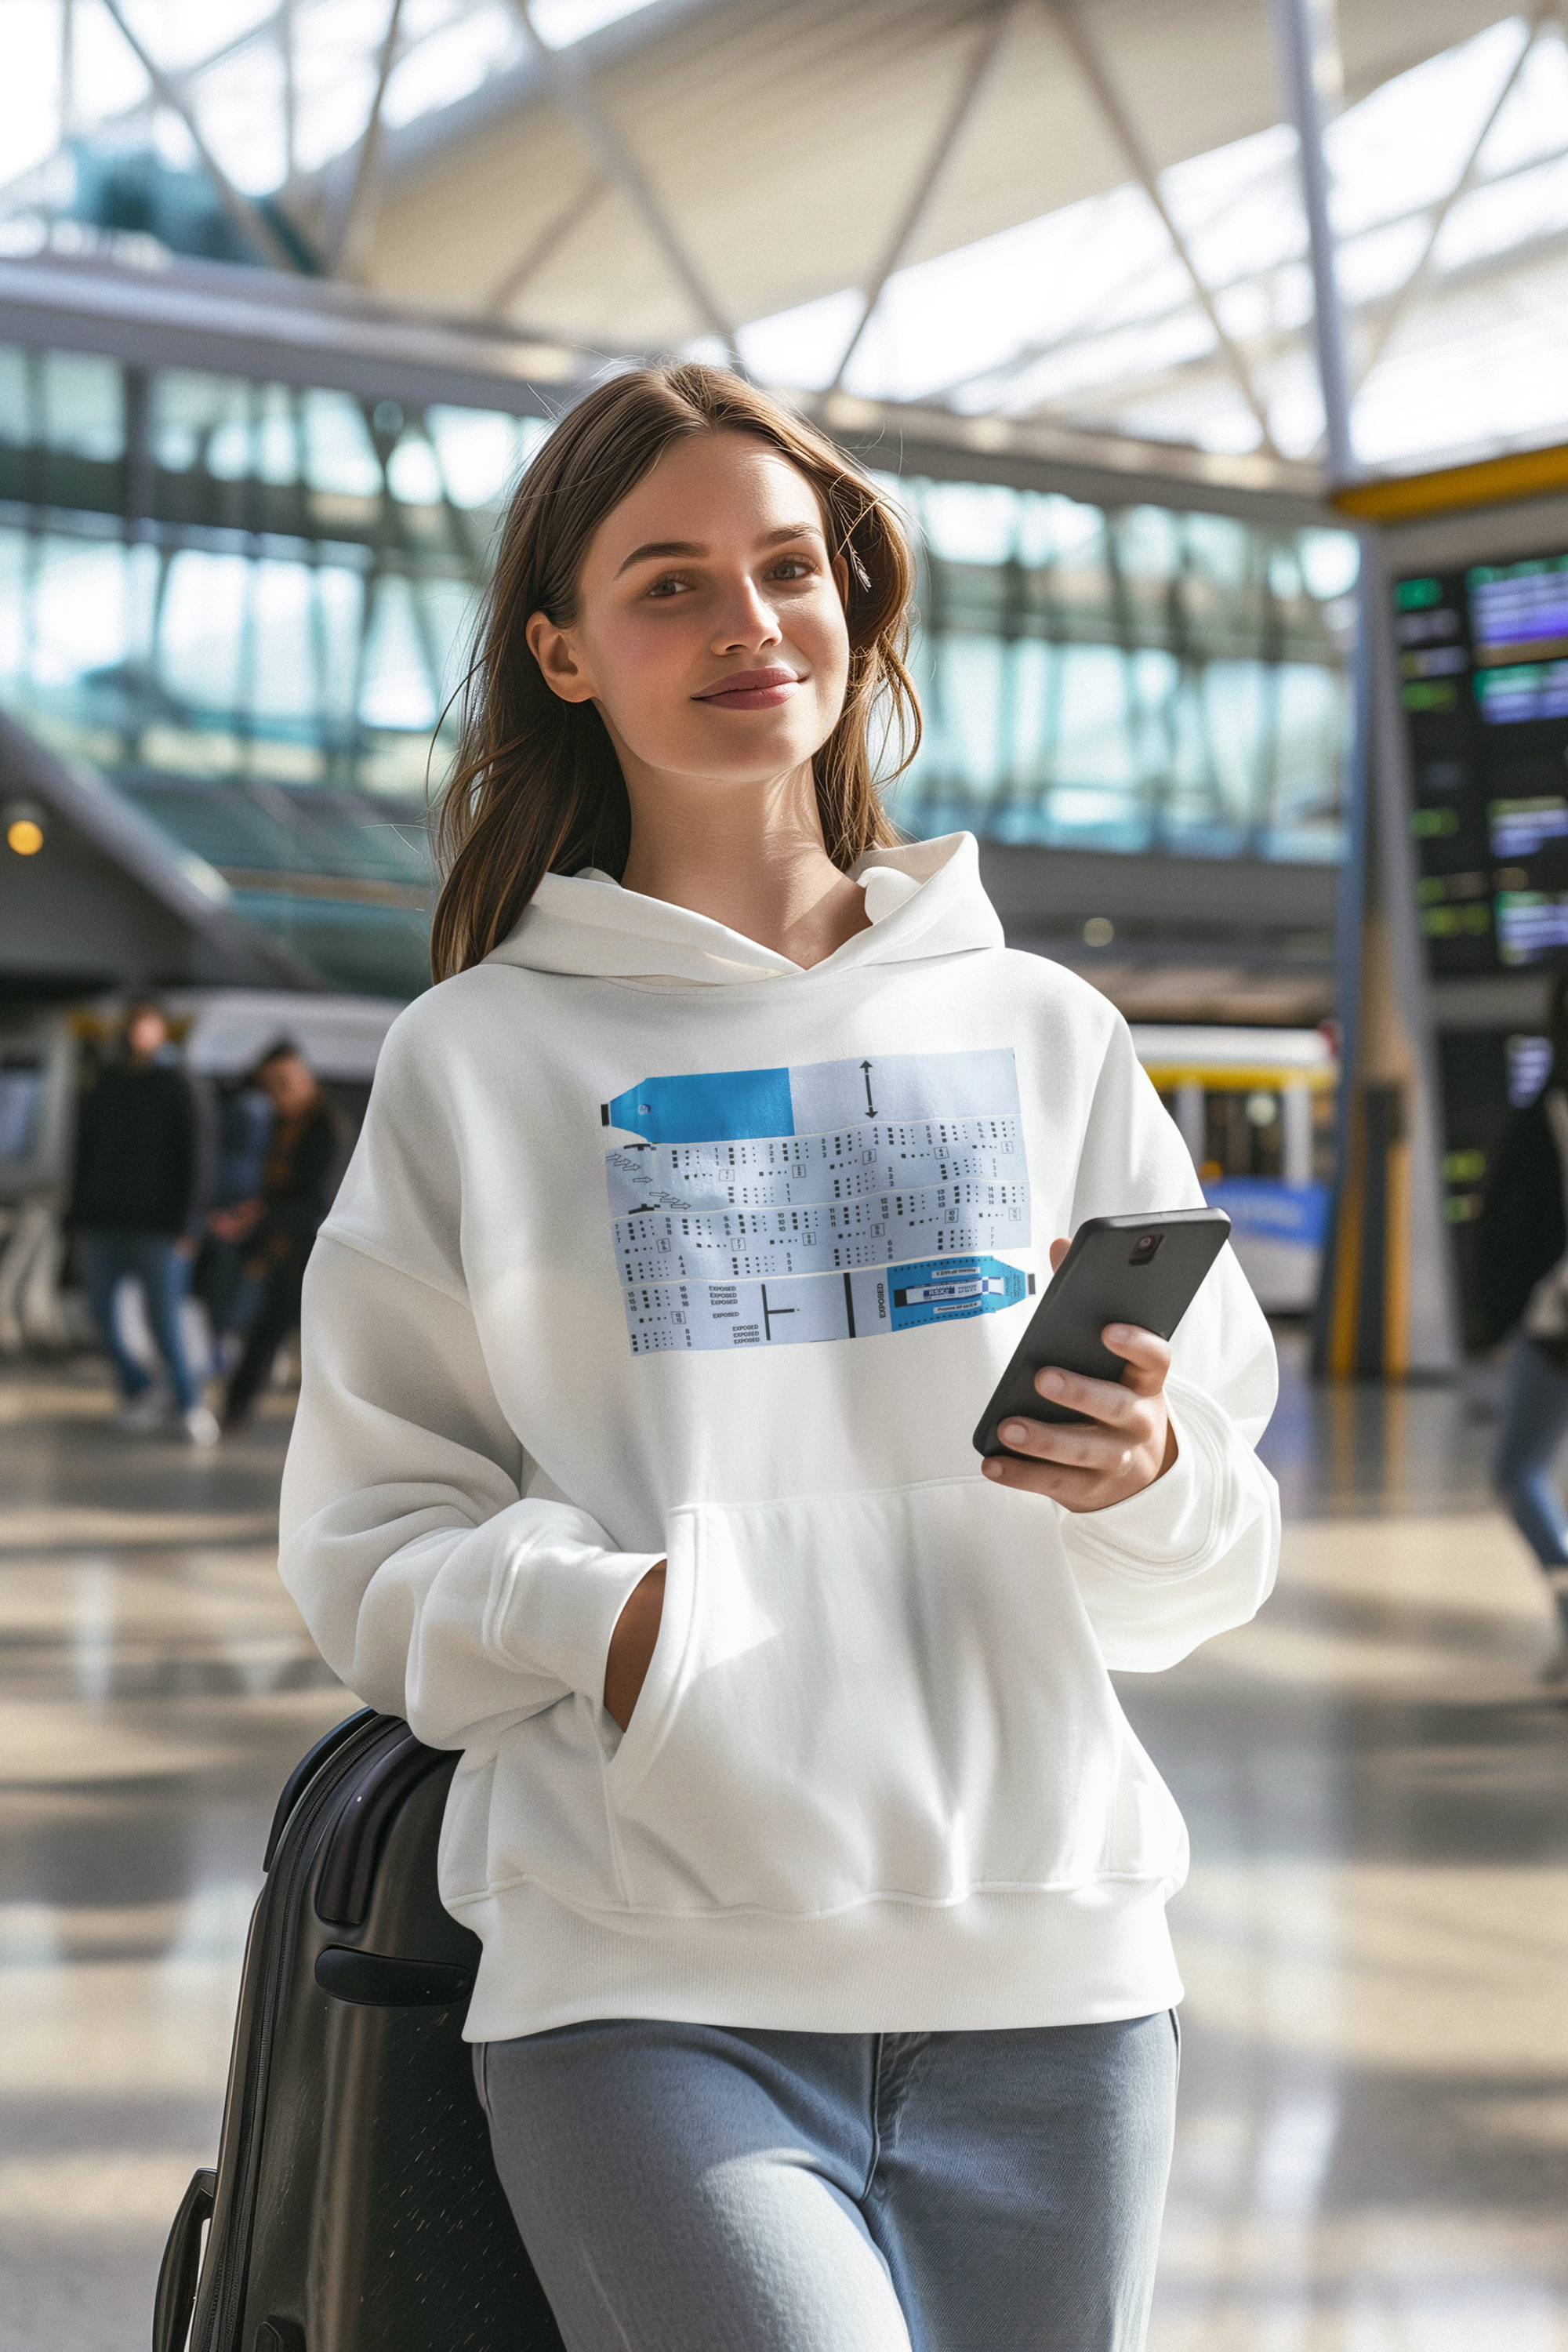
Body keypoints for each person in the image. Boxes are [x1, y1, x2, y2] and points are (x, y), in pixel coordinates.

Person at [278, 366, 1280, 2352]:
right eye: (669, 586)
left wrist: (1142, 1478)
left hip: (1053, 1975)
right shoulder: (476, 1063)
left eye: (785, 568)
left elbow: (1214, 1553)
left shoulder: (1040, 1026)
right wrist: (620, 1621)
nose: (748, 627)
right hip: (640, 1971)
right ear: (560, 651)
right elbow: (368, 1539)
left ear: (850, 601)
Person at [1474, 959, 1568, 1681]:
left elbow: (1509, 1230)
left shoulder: (1546, 1115)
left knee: (1516, 1471)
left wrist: (1499, 1320)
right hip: (1548, 1326)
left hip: (1551, 1328)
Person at [69, 1000, 219, 1446]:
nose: (138, 1032)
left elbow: (199, 1158)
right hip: (105, 1223)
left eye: (146, 1023)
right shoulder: (107, 1082)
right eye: (132, 1023)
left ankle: (190, 1403)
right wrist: (77, 1212)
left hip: (161, 1229)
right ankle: (142, 1391)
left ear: (161, 1029)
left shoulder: (180, 1084)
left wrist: (190, 1226)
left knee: (164, 1322)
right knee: (99, 1314)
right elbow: (86, 1149)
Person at [217, 1043, 346, 1433]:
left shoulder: (327, 1128)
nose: (277, 1094)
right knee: (267, 1329)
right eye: (271, 1086)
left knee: (321, 1342)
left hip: (315, 1247)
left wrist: (258, 1216)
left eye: (284, 1084)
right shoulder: (280, 1124)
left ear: (304, 1079)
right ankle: (236, 1411)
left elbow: (319, 1198)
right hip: (282, 1245)